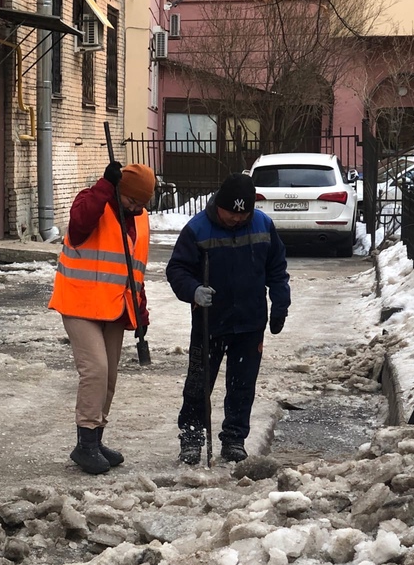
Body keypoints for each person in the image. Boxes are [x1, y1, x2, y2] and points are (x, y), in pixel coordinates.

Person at [166, 172, 291, 465]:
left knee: (242, 385)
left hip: (250, 322)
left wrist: (280, 303)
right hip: (210, 322)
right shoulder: (197, 229)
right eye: (231, 213)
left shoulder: (263, 225)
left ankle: (234, 438)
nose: (236, 218)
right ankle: (192, 438)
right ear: (218, 204)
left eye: (243, 213)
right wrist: (193, 290)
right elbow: (177, 269)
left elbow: (276, 269)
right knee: (199, 384)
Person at [48, 160, 156, 475]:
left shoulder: (140, 219)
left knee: (109, 377)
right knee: (94, 370)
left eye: (142, 203)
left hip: (115, 307)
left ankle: (95, 438)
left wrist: (141, 310)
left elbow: (135, 270)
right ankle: (85, 445)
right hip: (79, 303)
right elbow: (80, 224)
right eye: (132, 200)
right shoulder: (93, 201)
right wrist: (104, 188)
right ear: (119, 189)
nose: (136, 207)